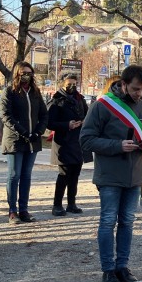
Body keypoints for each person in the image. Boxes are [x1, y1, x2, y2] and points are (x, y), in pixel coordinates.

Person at [80, 65, 142, 282]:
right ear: (123, 84)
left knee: (127, 222)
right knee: (107, 222)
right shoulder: (102, 106)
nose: (139, 94)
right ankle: (107, 269)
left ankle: (122, 266)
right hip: (110, 174)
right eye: (135, 89)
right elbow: (86, 140)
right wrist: (117, 145)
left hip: (135, 174)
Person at [0, 62, 48, 224]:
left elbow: (43, 114)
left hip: (32, 141)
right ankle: (12, 211)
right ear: (17, 74)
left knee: (26, 176)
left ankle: (24, 209)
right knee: (14, 175)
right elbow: (6, 115)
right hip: (15, 140)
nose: (26, 75)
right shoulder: (9, 92)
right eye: (23, 72)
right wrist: (23, 132)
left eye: (29, 72)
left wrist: (38, 132)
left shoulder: (35, 92)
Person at [47, 73, 89, 216]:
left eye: (74, 84)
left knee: (75, 173)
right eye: (68, 84)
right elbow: (49, 123)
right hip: (63, 141)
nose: (72, 87)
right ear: (62, 84)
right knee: (64, 174)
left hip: (78, 141)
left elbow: (87, 115)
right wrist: (67, 125)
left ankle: (72, 203)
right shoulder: (56, 100)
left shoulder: (80, 99)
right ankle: (57, 205)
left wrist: (83, 121)